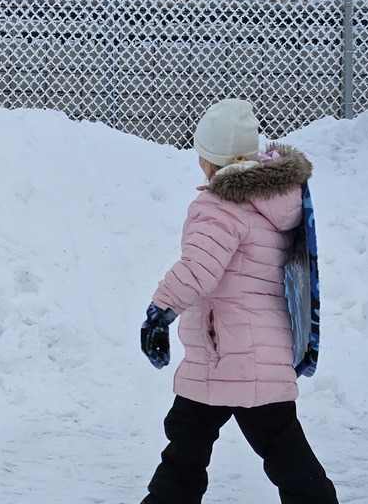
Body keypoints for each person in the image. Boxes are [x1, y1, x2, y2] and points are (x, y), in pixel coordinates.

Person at [139, 98, 338, 504]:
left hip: (227, 352)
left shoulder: (220, 206)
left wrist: (160, 312)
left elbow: (199, 266)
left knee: (188, 451)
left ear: (209, 160)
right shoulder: (276, 202)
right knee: (263, 449)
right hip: (252, 351)